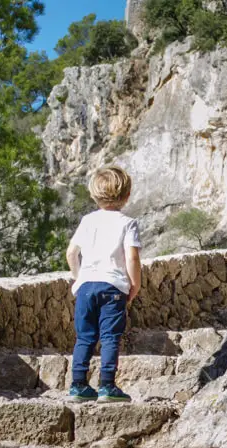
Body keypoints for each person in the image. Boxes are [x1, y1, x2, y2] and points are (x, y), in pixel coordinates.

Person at [65, 166, 141, 403]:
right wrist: (134, 284)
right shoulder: (128, 223)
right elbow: (132, 258)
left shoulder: (87, 221)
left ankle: (78, 385)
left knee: (84, 336)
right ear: (127, 195)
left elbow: (71, 253)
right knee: (109, 336)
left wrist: (79, 278)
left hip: (86, 286)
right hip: (113, 288)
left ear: (94, 195)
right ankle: (107, 386)